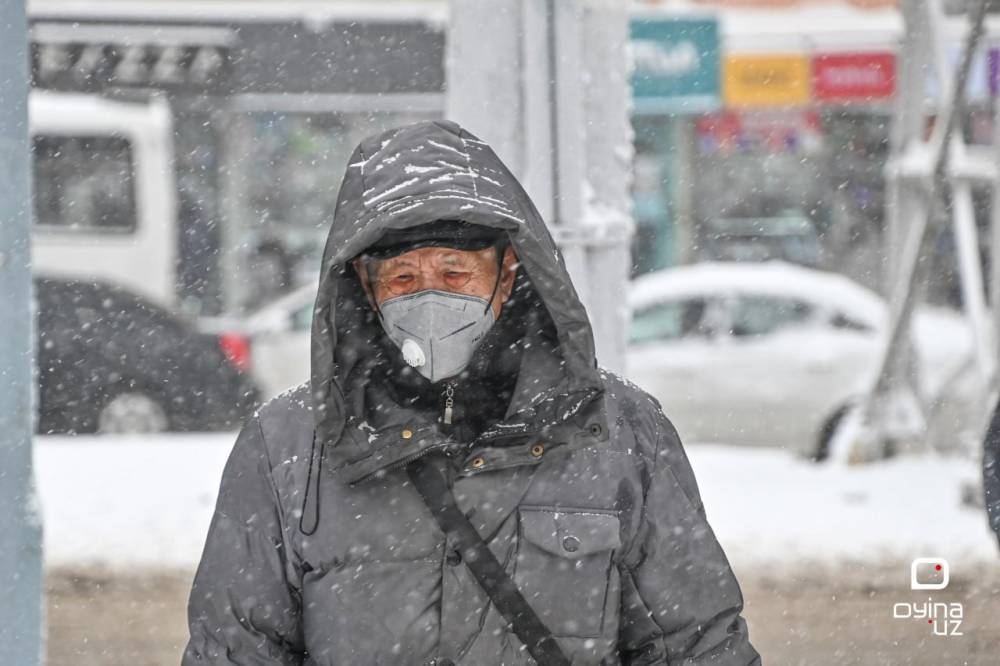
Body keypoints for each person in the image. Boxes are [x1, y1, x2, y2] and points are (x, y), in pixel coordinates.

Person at [183, 120, 761, 665]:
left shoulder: (617, 429)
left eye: (456, 273)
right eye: (403, 278)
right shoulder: (287, 444)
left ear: (507, 274)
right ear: (365, 285)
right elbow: (234, 650)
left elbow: (696, 643)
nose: (430, 298)